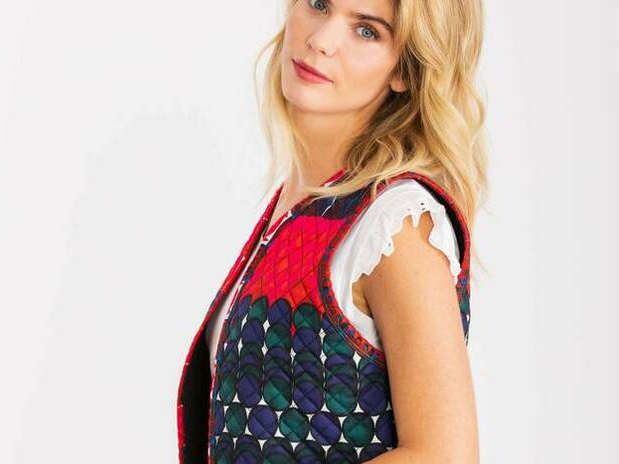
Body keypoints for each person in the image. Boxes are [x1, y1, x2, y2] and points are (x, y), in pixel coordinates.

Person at [177, 0, 488, 462]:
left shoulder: (395, 223)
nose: (321, 41)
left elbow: (445, 456)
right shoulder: (298, 207)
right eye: (319, 4)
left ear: (405, 69)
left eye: (367, 30)